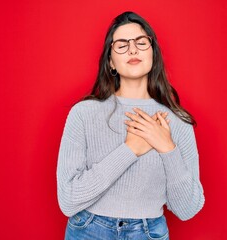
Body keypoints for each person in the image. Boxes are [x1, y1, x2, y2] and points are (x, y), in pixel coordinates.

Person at [57, 11, 204, 240]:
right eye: (122, 45)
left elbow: (187, 209)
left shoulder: (176, 122)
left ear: (153, 54)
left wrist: (167, 148)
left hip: (148, 233)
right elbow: (67, 200)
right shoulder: (83, 114)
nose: (133, 49)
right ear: (110, 62)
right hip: (87, 231)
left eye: (141, 42)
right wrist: (130, 150)